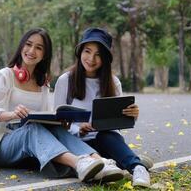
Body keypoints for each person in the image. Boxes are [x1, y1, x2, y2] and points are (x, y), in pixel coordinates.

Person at [0, 28, 107, 182]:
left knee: (54, 127)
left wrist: (60, 122)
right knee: (31, 129)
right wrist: (13, 114)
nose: (31, 51)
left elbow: (46, 118)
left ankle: (100, 162)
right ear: (22, 46)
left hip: (29, 145)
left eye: (39, 48)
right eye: (28, 44)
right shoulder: (5, 75)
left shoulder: (43, 84)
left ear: (44, 55)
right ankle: (78, 163)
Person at [54, 27, 151, 187]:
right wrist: (78, 129)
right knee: (91, 158)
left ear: (105, 58)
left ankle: (138, 168)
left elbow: (117, 123)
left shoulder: (113, 82)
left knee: (108, 136)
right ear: (80, 52)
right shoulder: (66, 80)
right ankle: (122, 161)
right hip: (76, 143)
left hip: (105, 140)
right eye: (87, 51)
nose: (91, 58)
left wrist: (132, 114)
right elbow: (57, 121)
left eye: (98, 54)